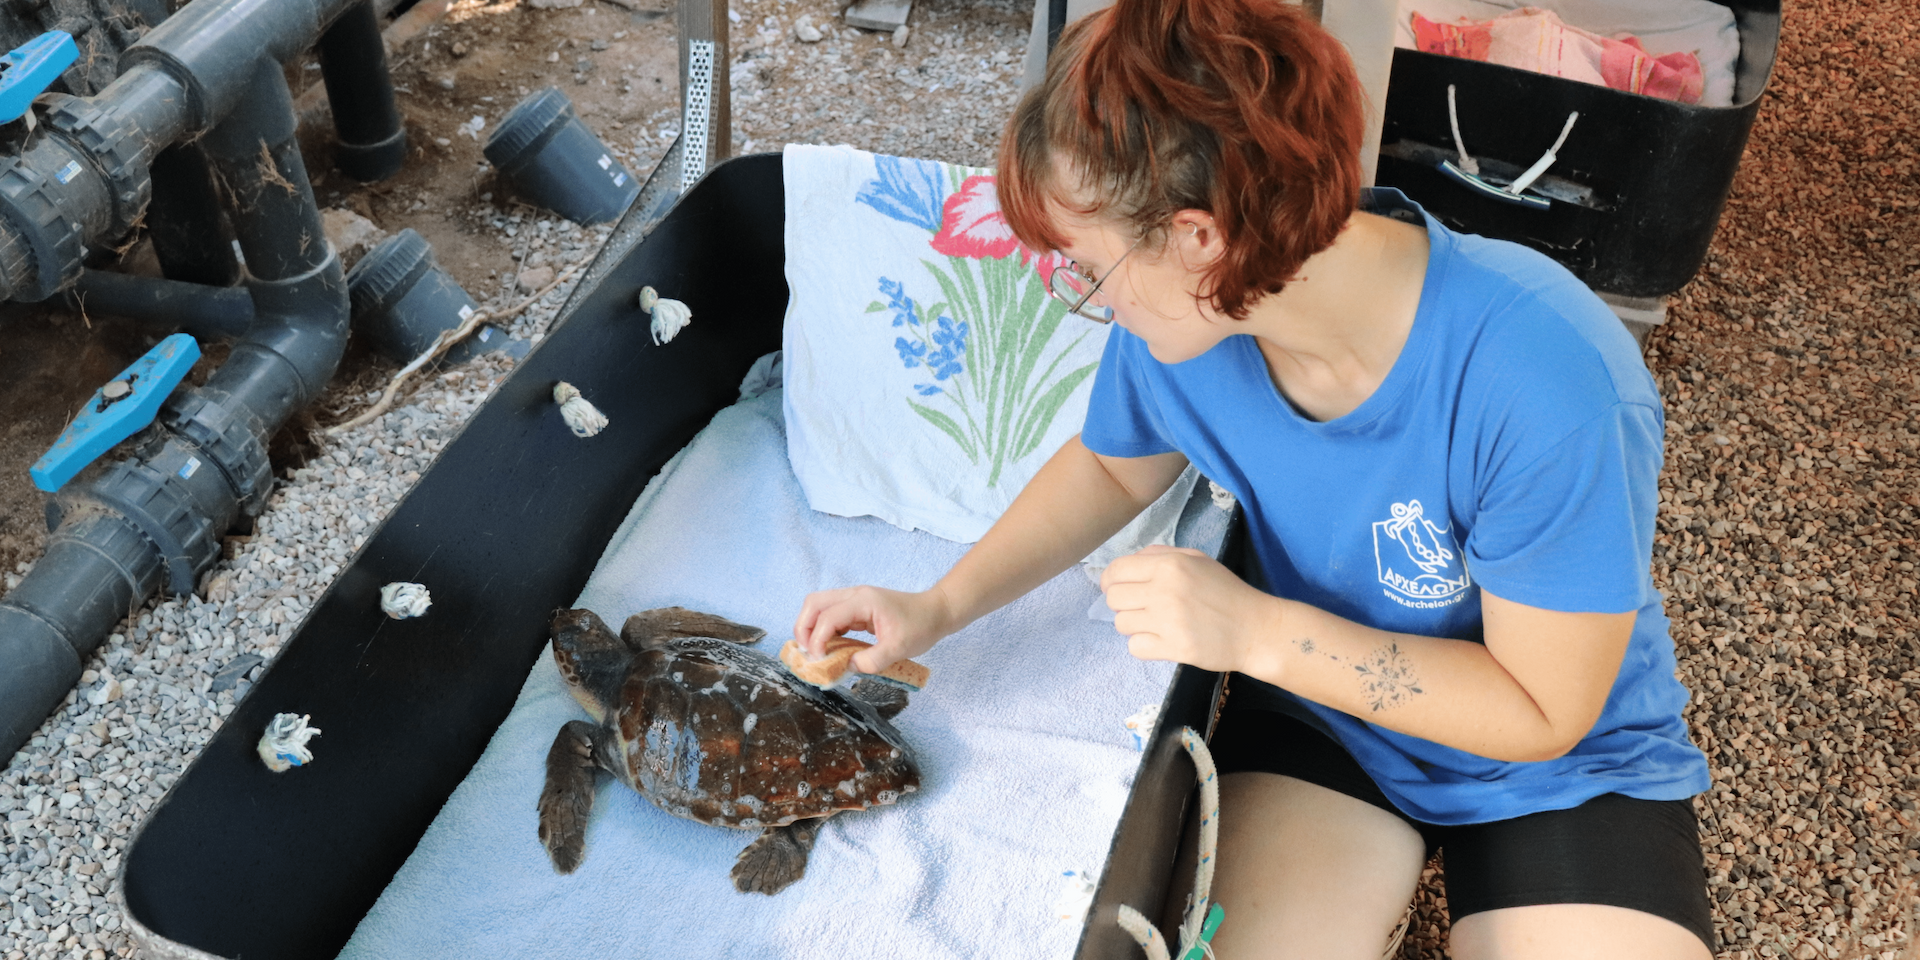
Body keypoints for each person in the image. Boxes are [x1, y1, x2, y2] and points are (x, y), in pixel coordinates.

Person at [793, 1, 1714, 957]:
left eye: (1087, 270)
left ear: (1200, 236)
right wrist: (938, 606)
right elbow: (1111, 466)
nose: (1085, 296)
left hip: (1561, 760)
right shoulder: (1195, 320)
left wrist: (1256, 632)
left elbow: (1540, 709)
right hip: (1331, 715)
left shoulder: (1550, 379)